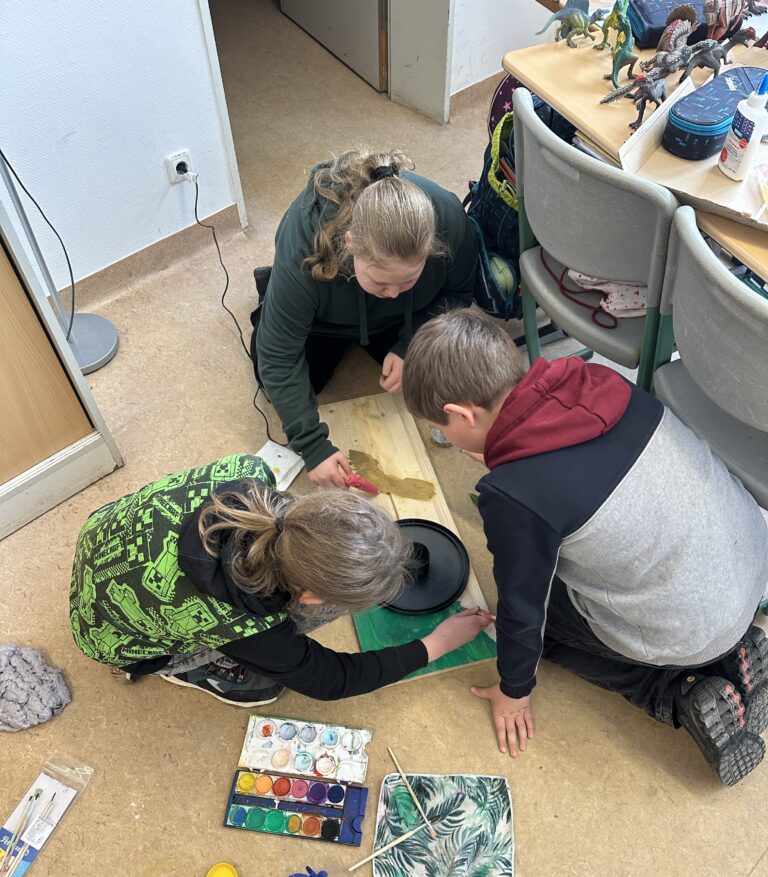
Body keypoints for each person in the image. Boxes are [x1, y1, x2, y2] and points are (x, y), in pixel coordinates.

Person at [401, 309, 768, 786]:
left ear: (463, 415)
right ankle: (734, 650)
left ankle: (677, 690)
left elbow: (522, 610)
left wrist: (514, 691)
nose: (448, 438)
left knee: (544, 633)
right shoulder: (594, 380)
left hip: (692, 627)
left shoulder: (513, 493)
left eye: (443, 428)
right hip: (749, 564)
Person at [69, 453, 492, 707]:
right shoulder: (249, 627)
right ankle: (183, 670)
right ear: (310, 595)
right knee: (271, 662)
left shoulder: (249, 472)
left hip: (104, 534)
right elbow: (332, 679)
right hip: (111, 636)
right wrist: (438, 643)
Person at [250, 147, 479, 488]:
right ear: (350, 244)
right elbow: (278, 354)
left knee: (448, 374)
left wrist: (409, 344)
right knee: (283, 381)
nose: (394, 293)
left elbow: (458, 292)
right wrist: (312, 447)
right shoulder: (305, 245)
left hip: (402, 318)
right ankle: (277, 293)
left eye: (408, 281)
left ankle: (386, 306)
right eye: (382, 282)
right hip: (324, 320)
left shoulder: (448, 219)